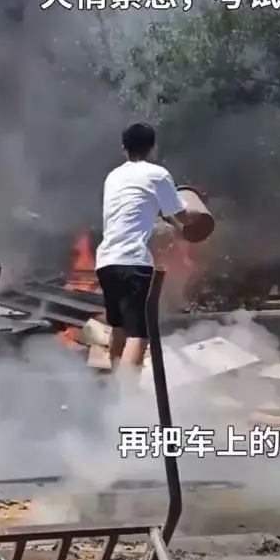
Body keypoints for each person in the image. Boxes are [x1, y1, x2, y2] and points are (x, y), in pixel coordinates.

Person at [95, 122, 196, 373]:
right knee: (138, 333)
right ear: (152, 147)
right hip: (133, 261)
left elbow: (149, 210)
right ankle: (127, 391)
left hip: (106, 262)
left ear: (123, 148)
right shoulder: (157, 174)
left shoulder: (113, 176)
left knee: (118, 327)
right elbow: (182, 216)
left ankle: (115, 387)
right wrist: (194, 213)